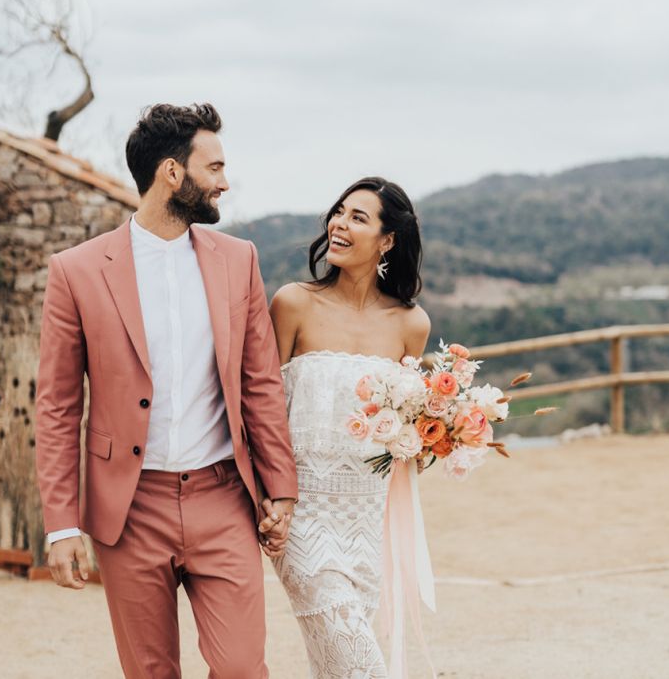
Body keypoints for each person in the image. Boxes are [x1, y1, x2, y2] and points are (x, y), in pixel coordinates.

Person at [34, 102, 297, 678]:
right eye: (216, 168)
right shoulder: (75, 271)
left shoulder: (239, 260)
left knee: (242, 669)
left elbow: (260, 383)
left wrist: (280, 486)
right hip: (130, 509)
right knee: (150, 672)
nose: (225, 182)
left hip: (224, 496)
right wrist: (61, 526)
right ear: (173, 174)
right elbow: (56, 408)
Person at [262, 177, 430, 677]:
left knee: (332, 667)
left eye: (358, 217)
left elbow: (406, 433)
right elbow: (261, 408)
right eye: (339, 212)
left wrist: (436, 433)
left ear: (387, 240)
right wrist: (268, 497)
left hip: (367, 520)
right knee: (361, 666)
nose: (339, 224)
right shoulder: (293, 303)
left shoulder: (410, 323)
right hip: (301, 517)